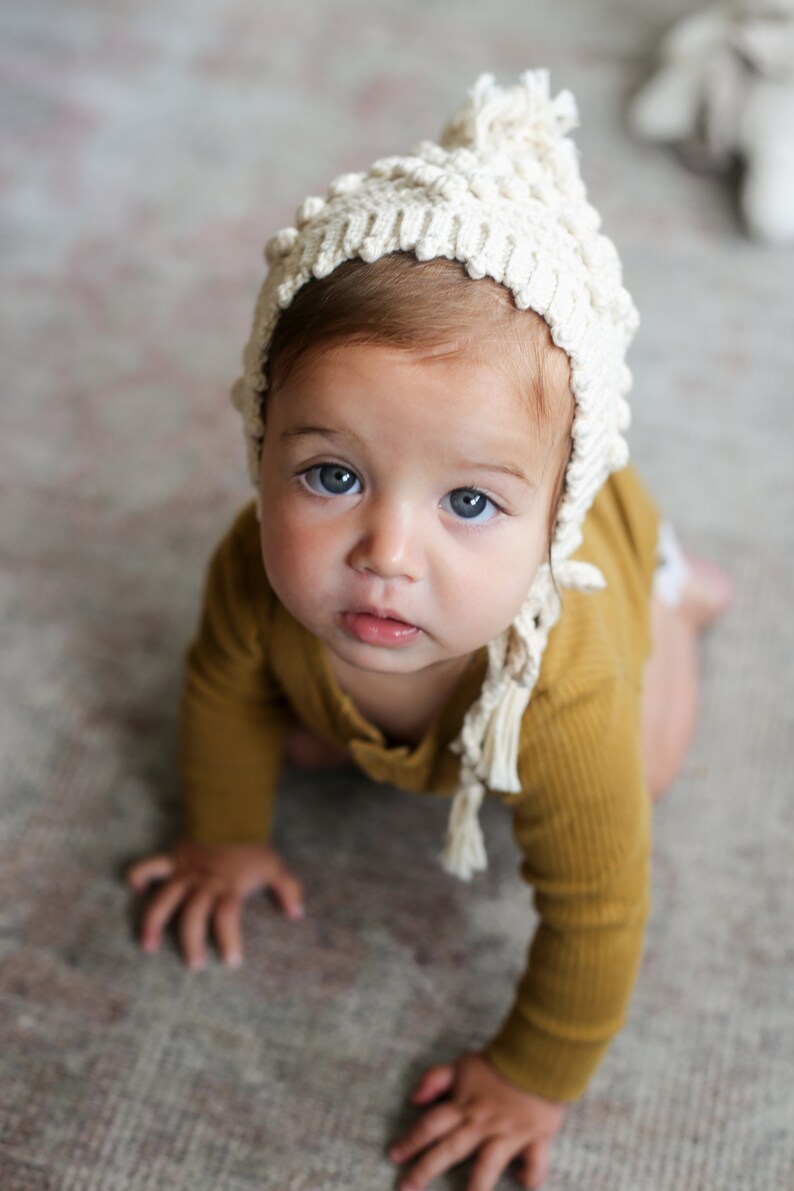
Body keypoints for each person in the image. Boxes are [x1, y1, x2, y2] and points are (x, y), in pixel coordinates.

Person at [127, 72, 733, 1191]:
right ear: (259, 446)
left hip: (606, 618)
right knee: (278, 704)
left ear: (550, 518)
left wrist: (535, 1073)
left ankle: (677, 601)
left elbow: (599, 909)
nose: (387, 554)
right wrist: (221, 835)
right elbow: (218, 693)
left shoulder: (559, 687)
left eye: (467, 502)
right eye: (331, 474)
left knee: (639, 778)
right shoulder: (251, 577)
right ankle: (364, 718)